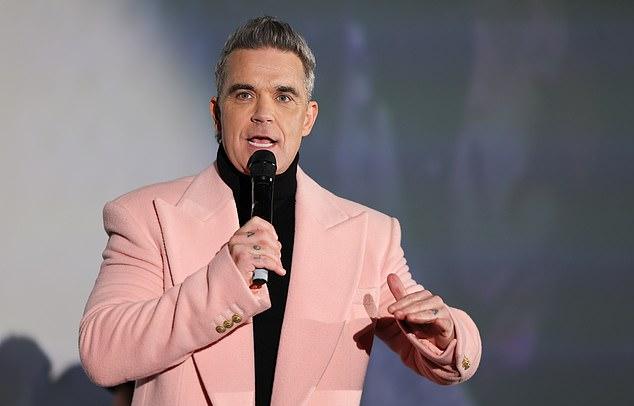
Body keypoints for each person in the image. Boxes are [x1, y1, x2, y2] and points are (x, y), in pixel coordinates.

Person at [79, 16, 481, 406]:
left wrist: (449, 337)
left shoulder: (367, 235)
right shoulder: (149, 216)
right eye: (244, 94)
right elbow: (101, 352)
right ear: (217, 114)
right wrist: (221, 284)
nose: (263, 113)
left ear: (308, 117)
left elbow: (449, 356)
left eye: (284, 96)